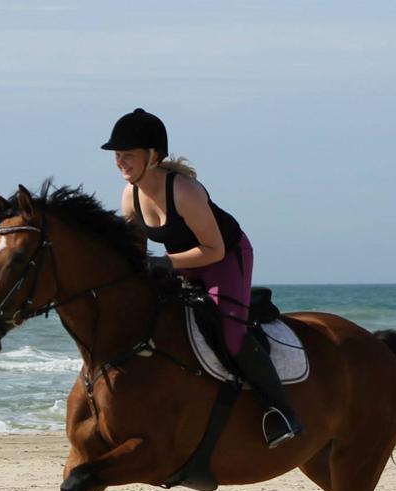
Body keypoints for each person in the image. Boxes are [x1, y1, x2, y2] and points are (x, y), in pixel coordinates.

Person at [100, 107, 302, 447]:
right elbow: (136, 257)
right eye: (118, 156)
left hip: (224, 257)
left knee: (230, 334)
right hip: (181, 262)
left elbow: (213, 250)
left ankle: (281, 413)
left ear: (153, 156)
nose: (121, 162)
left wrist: (163, 265)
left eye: (128, 155)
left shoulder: (185, 192)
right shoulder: (130, 196)